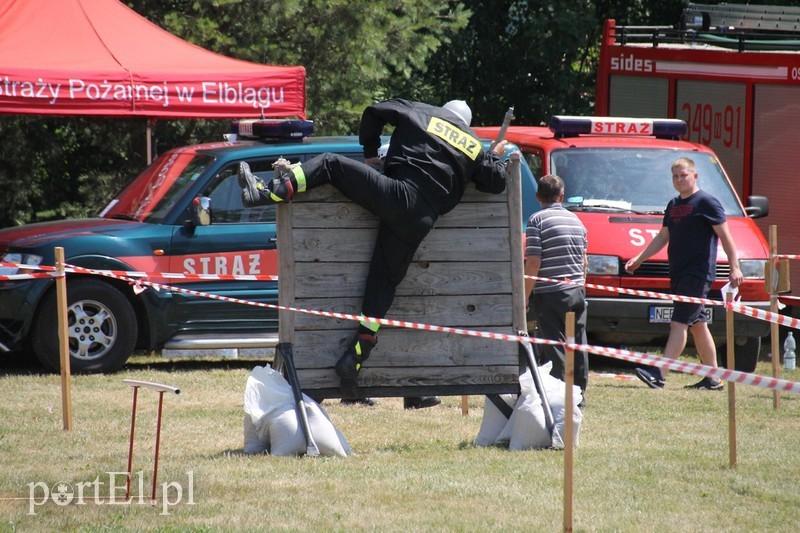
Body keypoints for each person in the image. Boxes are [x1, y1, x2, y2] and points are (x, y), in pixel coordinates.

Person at [238, 98, 509, 401]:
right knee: (382, 286)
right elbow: (496, 181)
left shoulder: (422, 111)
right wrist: (494, 156)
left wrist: (370, 154)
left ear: (444, 111)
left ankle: (269, 192)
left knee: (330, 164)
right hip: (420, 220)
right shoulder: (473, 146)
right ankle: (355, 358)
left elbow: (374, 112)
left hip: (397, 194)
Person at [625, 157, 743, 390]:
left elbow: (726, 236)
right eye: (675, 176)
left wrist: (735, 266)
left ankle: (659, 374)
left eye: (683, 175)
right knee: (698, 324)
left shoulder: (707, 202)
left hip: (697, 274)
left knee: (678, 323)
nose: (679, 180)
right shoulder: (673, 204)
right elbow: (663, 236)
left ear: (695, 176)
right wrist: (639, 259)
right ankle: (713, 379)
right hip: (678, 273)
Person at [523, 174, 589, 398]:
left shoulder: (536, 221)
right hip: (576, 290)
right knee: (577, 343)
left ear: (537, 197)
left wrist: (524, 296)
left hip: (550, 292)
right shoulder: (577, 221)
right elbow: (584, 261)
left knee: (554, 345)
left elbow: (534, 262)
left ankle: (559, 395)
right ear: (561, 196)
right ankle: (578, 394)